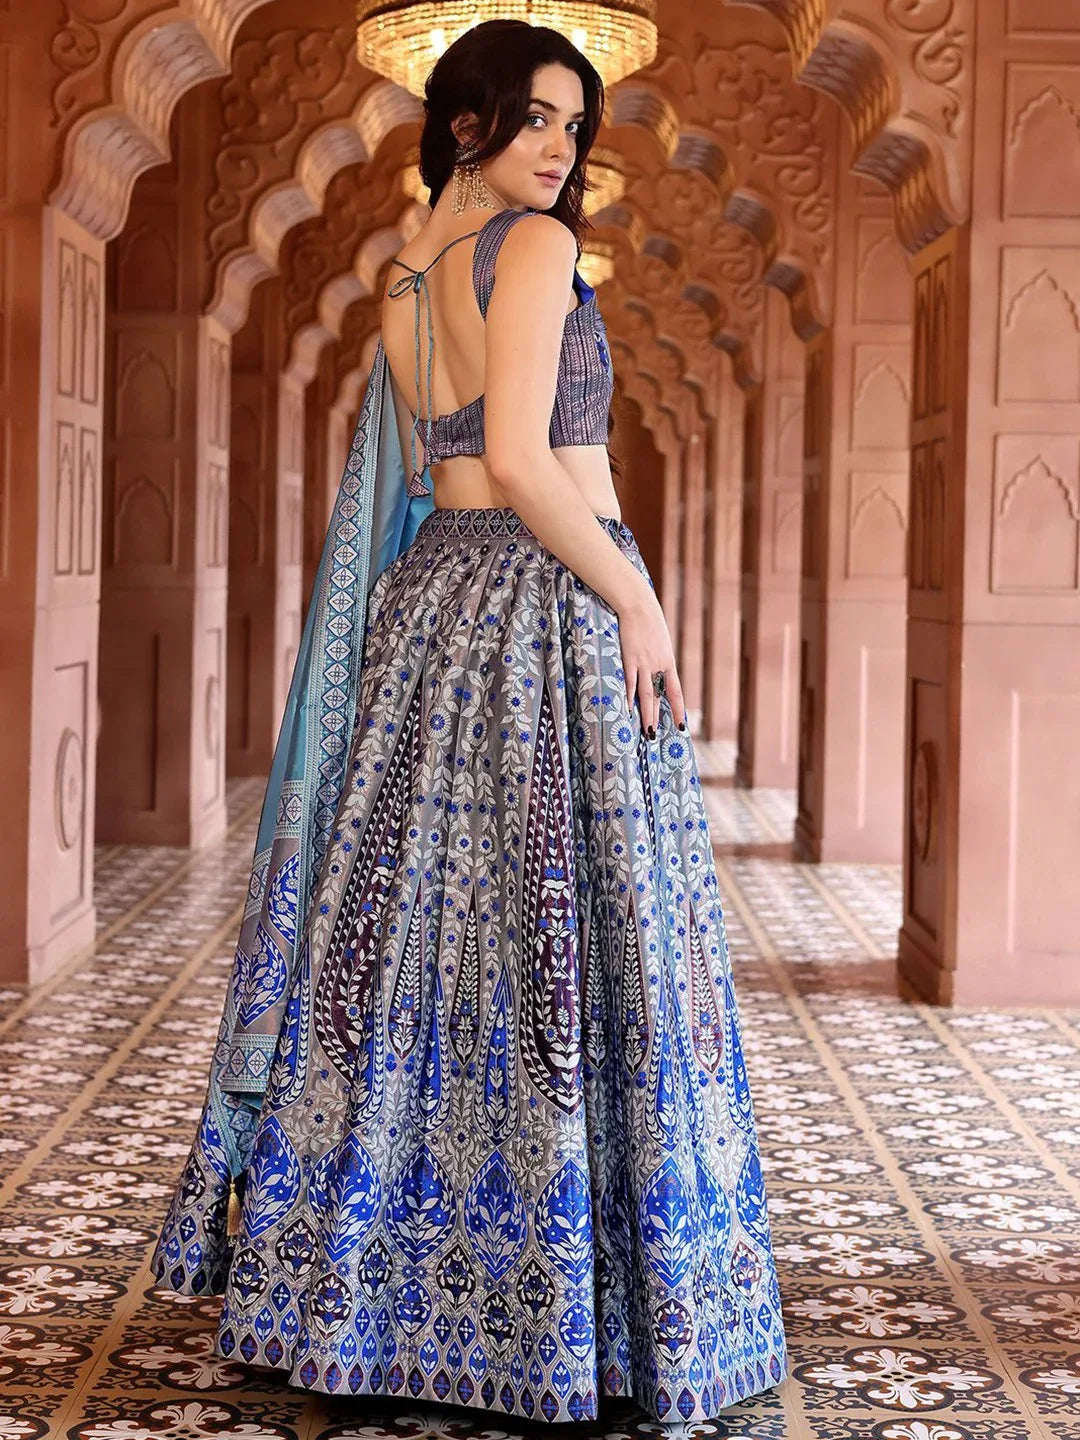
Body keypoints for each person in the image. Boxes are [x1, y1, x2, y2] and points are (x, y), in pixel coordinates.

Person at [151, 17, 787, 1423]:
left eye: (574, 126)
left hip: (431, 614)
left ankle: (380, 1301)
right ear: (465, 125)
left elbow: (440, 472)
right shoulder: (537, 253)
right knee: (573, 947)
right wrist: (638, 600)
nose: (560, 151)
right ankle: (577, 1319)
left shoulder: (405, 276)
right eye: (536, 120)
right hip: (545, 607)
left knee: (420, 957)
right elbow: (529, 457)